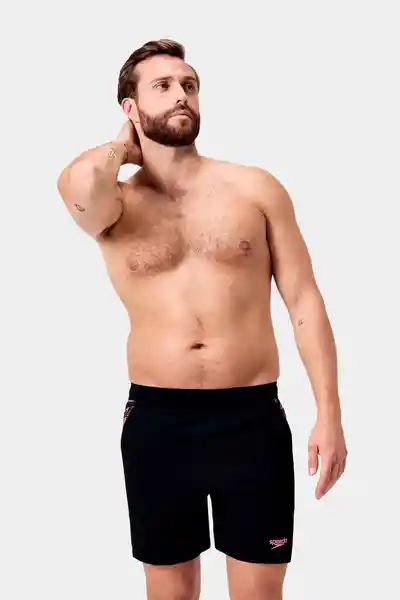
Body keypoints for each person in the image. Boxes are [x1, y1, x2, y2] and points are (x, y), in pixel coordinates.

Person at [57, 38, 348, 600]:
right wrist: (125, 145)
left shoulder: (255, 188)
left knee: (259, 594)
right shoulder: (114, 203)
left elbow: (304, 301)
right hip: (158, 420)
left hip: (251, 417)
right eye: (162, 86)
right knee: (170, 592)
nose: (181, 96)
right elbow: (76, 181)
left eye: (189, 85)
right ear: (129, 106)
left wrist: (329, 414)